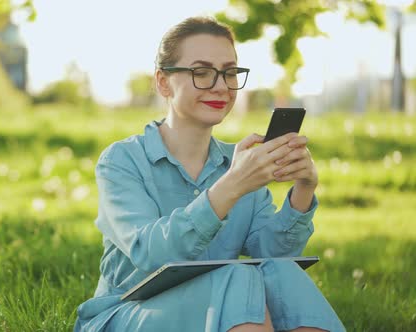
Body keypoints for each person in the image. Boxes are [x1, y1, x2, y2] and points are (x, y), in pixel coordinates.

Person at [74, 16, 345, 332]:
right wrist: (231, 185)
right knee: (238, 277)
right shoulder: (122, 161)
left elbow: (273, 257)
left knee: (284, 275)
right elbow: (151, 255)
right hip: (128, 315)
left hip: (220, 308)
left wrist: (303, 189)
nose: (220, 86)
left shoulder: (238, 161)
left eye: (229, 73)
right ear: (163, 82)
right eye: (201, 72)